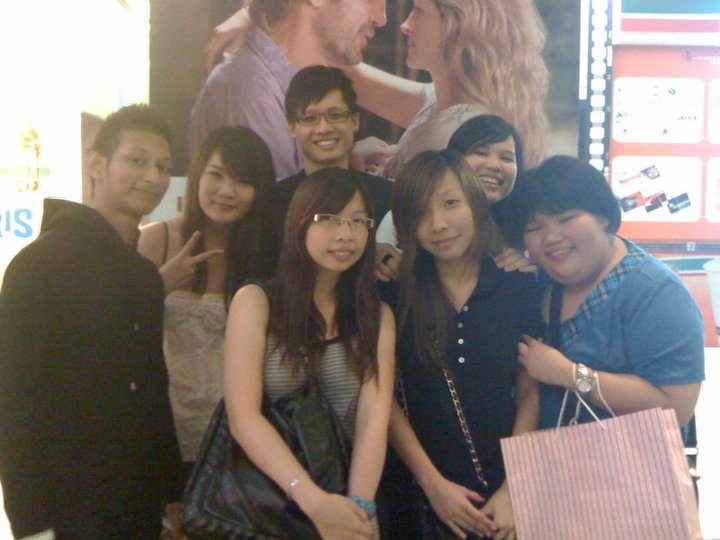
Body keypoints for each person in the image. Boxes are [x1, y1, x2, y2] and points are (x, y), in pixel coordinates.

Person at [0, 104, 183, 539]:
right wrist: (31, 526)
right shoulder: (39, 264)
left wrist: (171, 498)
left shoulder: (144, 276)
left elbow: (153, 393)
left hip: (140, 513)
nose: (153, 176)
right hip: (67, 514)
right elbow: (13, 401)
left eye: (163, 166)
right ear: (96, 164)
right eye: (137, 160)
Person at [224, 168, 395, 539]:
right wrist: (314, 502)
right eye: (329, 218)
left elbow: (372, 420)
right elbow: (243, 417)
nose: (345, 234)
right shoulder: (255, 302)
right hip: (272, 506)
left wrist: (358, 510)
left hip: (351, 506)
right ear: (299, 222)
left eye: (358, 221)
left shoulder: (376, 316)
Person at [201, 0, 548, 176]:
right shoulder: (440, 102)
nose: (401, 24)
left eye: (419, 10)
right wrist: (266, 13)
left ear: (460, 26)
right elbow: (339, 63)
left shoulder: (463, 126)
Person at [384, 150, 541, 539]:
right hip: (419, 496)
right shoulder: (393, 294)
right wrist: (431, 483)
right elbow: (384, 399)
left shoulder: (518, 285)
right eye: (420, 213)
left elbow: (529, 394)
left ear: (474, 202)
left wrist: (514, 487)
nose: (438, 224)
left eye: (451, 203)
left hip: (503, 493)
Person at [505, 156, 704, 429]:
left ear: (604, 217)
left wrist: (570, 375)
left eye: (567, 218)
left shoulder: (656, 293)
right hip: (548, 455)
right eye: (535, 227)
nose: (551, 237)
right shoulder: (539, 282)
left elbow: (676, 408)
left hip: (631, 456)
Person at [138, 126, 274, 487]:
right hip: (161, 431)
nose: (226, 191)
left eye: (243, 181)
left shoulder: (264, 257)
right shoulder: (155, 240)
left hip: (236, 440)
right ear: (197, 175)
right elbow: (117, 328)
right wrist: (159, 284)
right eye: (216, 175)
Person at [188, 0, 387, 177]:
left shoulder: (276, 85)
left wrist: (343, 161)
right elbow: (280, 204)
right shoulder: (253, 96)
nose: (382, 19)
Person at [262, 65, 393, 275]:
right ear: (292, 127)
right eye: (310, 118)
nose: (323, 128)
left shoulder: (388, 199)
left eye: (335, 115)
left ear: (355, 121)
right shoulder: (271, 204)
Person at [376, 114, 534, 282]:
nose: (494, 165)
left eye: (506, 158)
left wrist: (526, 267)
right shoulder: (402, 217)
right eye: (481, 153)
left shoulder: (524, 223)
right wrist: (376, 255)